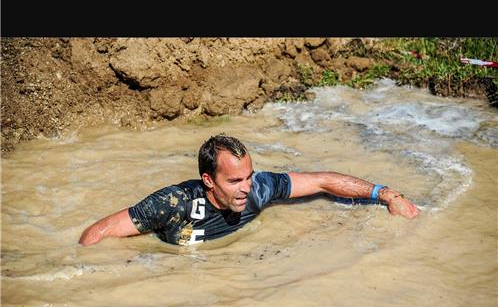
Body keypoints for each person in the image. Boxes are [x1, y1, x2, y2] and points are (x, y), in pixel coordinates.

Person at [79, 134, 420, 246]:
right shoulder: (172, 203)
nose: (246, 188)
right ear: (208, 180)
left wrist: (387, 195)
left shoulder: (259, 188)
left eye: (249, 176)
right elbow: (97, 232)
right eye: (234, 181)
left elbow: (320, 181)